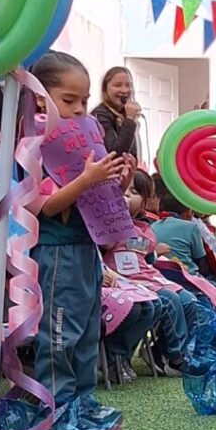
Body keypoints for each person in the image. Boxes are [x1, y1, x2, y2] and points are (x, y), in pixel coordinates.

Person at [29, 52, 133, 405]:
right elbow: (45, 206)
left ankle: (83, 404)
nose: (78, 110)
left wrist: (119, 181)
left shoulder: (85, 140)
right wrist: (87, 179)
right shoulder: (34, 147)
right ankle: (56, 407)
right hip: (58, 252)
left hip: (87, 249)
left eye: (84, 101)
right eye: (68, 100)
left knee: (89, 331)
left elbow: (99, 199)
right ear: (40, 100)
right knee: (60, 333)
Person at [103, 170, 201, 376]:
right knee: (169, 300)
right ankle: (177, 358)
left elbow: (147, 252)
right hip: (123, 280)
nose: (126, 195)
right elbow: (107, 244)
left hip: (148, 277)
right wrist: (117, 217)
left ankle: (167, 353)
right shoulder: (108, 224)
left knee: (189, 301)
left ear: (145, 202)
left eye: (134, 192)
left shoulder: (145, 229)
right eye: (123, 190)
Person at [152, 193, 213, 282]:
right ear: (188, 212)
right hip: (188, 279)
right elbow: (203, 265)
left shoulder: (153, 226)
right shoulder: (191, 228)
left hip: (162, 277)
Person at [91, 66, 141, 159]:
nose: (124, 90)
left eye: (128, 85)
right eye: (118, 85)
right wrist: (129, 120)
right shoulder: (100, 115)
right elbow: (114, 154)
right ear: (105, 89)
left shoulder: (124, 113)